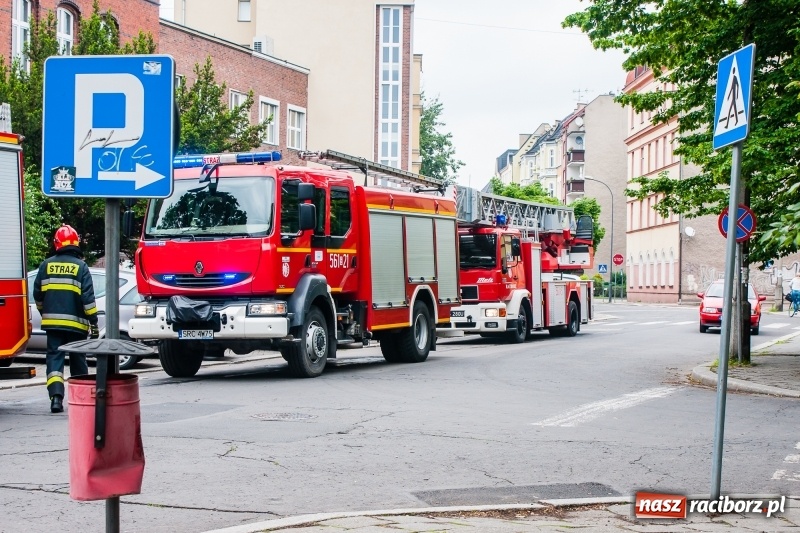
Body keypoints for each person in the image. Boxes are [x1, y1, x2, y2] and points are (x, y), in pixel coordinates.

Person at [33, 225, 99, 413]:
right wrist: (93, 322)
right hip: (77, 327)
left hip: (53, 325)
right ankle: (82, 399)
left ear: (57, 243)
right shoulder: (81, 267)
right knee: (78, 360)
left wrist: (45, 312)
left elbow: (37, 295)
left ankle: (56, 398)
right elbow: (88, 299)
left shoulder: (46, 265)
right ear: (76, 243)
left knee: (54, 360)